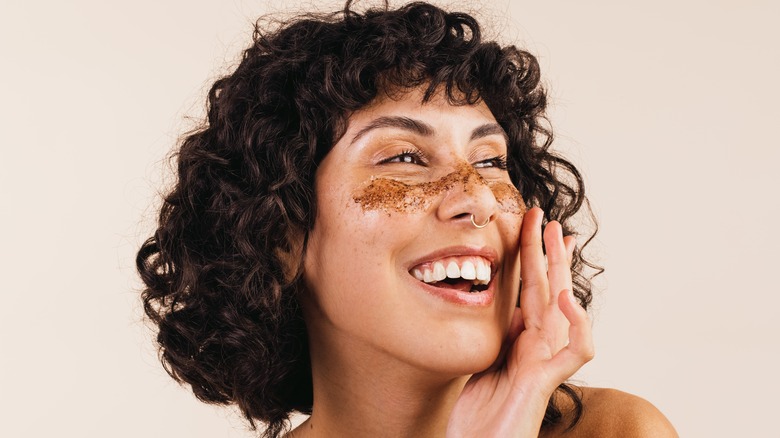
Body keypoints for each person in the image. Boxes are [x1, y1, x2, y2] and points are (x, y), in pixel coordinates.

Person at [137, 1, 678, 436]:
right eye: (403, 158)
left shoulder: (617, 431)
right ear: (278, 235)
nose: (479, 199)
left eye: (491, 161)